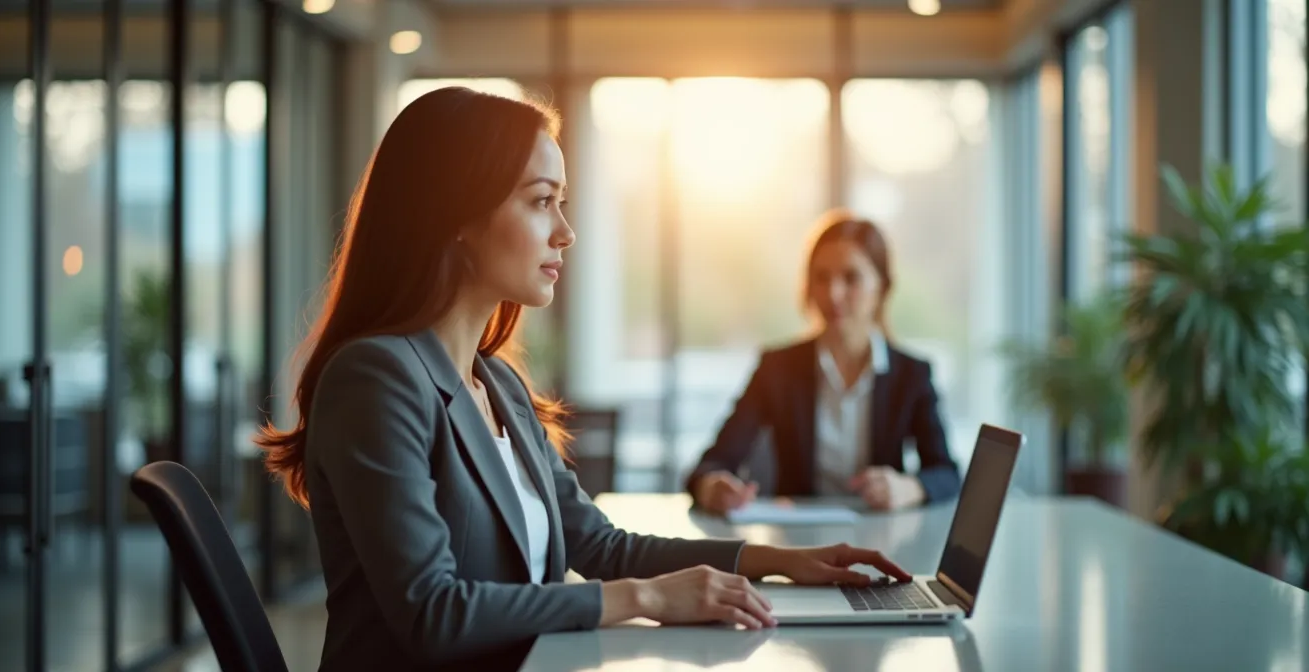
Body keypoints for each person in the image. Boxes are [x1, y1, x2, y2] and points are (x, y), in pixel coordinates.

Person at [254, 88, 911, 671]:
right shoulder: (376, 378)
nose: (566, 232)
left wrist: (782, 563)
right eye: (542, 202)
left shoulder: (496, 384)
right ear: (455, 217)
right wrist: (649, 600)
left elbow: (595, 543)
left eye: (563, 203)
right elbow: (433, 614)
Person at [686, 209, 962, 516]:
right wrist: (712, 486)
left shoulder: (911, 375)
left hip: (885, 537)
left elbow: (947, 473)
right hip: (799, 545)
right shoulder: (776, 369)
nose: (833, 293)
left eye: (851, 277)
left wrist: (909, 488)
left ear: (881, 287)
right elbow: (710, 464)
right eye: (821, 278)